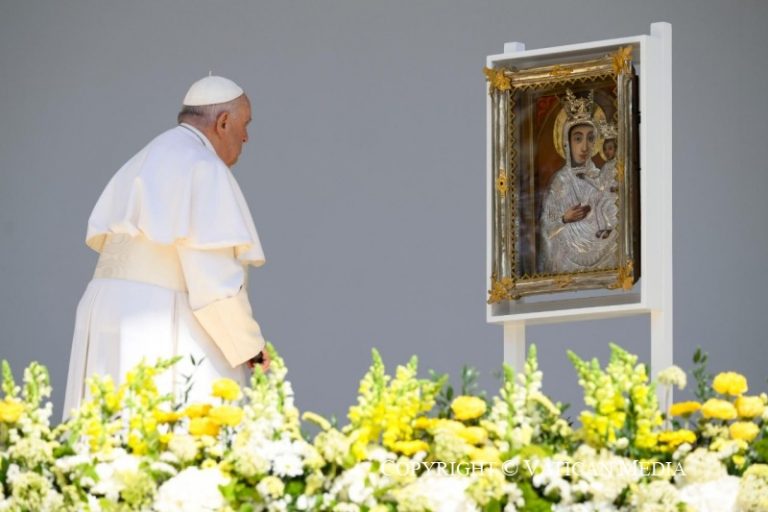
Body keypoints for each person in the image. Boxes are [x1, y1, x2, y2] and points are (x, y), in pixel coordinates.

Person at [63, 76, 270, 418]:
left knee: (108, 433)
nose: (246, 137)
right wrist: (248, 345)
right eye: (245, 125)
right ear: (223, 123)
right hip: (155, 320)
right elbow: (213, 284)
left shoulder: (143, 159)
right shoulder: (204, 167)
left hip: (104, 311)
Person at [539, 90, 618, 274]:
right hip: (568, 256)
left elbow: (612, 209)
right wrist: (565, 218)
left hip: (603, 249)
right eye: (577, 139)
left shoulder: (600, 176)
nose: (584, 147)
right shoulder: (560, 181)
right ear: (567, 143)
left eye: (590, 138)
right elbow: (546, 226)